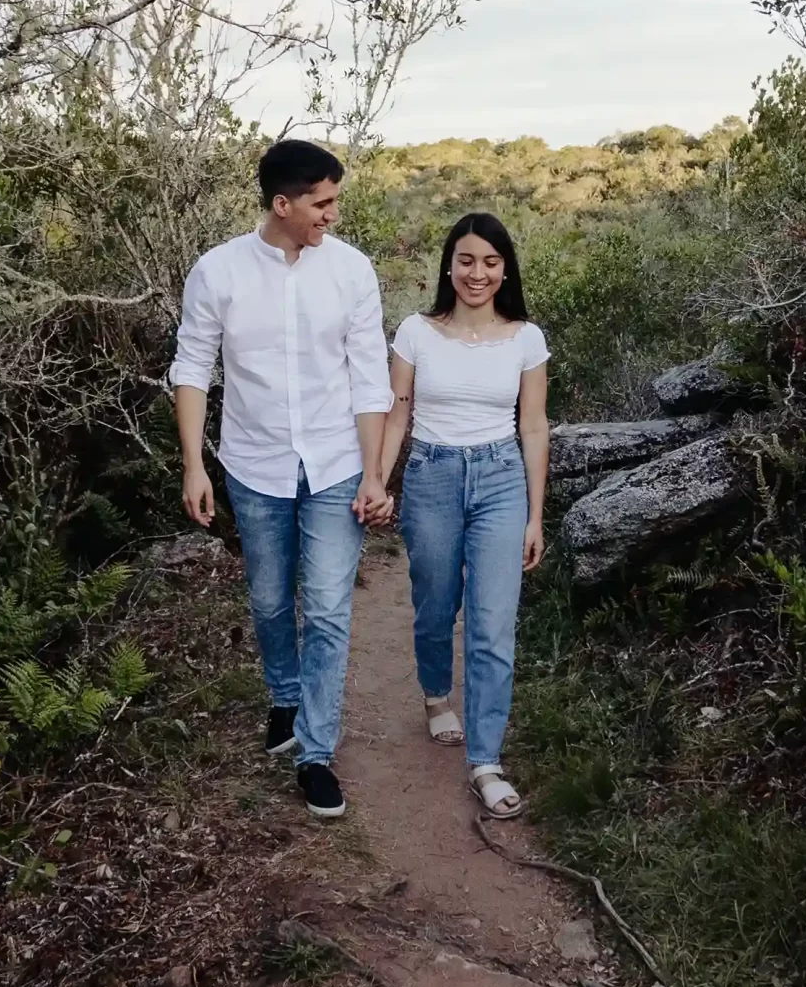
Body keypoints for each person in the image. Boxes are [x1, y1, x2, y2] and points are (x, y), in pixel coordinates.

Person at [170, 139, 393, 820]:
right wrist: (193, 464)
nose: (332, 214)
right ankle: (285, 696)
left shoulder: (352, 272)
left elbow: (369, 379)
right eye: (322, 202)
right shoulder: (219, 273)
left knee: (325, 606)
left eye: (334, 201)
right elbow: (191, 368)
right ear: (283, 203)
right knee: (270, 601)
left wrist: (376, 474)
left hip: (335, 464)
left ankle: (316, 751)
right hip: (255, 463)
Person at [372, 212, 550, 819]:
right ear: (449, 264)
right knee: (434, 605)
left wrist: (535, 515)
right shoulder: (416, 332)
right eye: (468, 260)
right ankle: (434, 694)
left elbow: (533, 426)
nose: (479, 273)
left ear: (506, 270)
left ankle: (486, 761)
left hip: (502, 479)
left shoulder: (527, 337)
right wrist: (377, 478)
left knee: (492, 624)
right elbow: (397, 413)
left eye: (491, 262)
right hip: (432, 476)